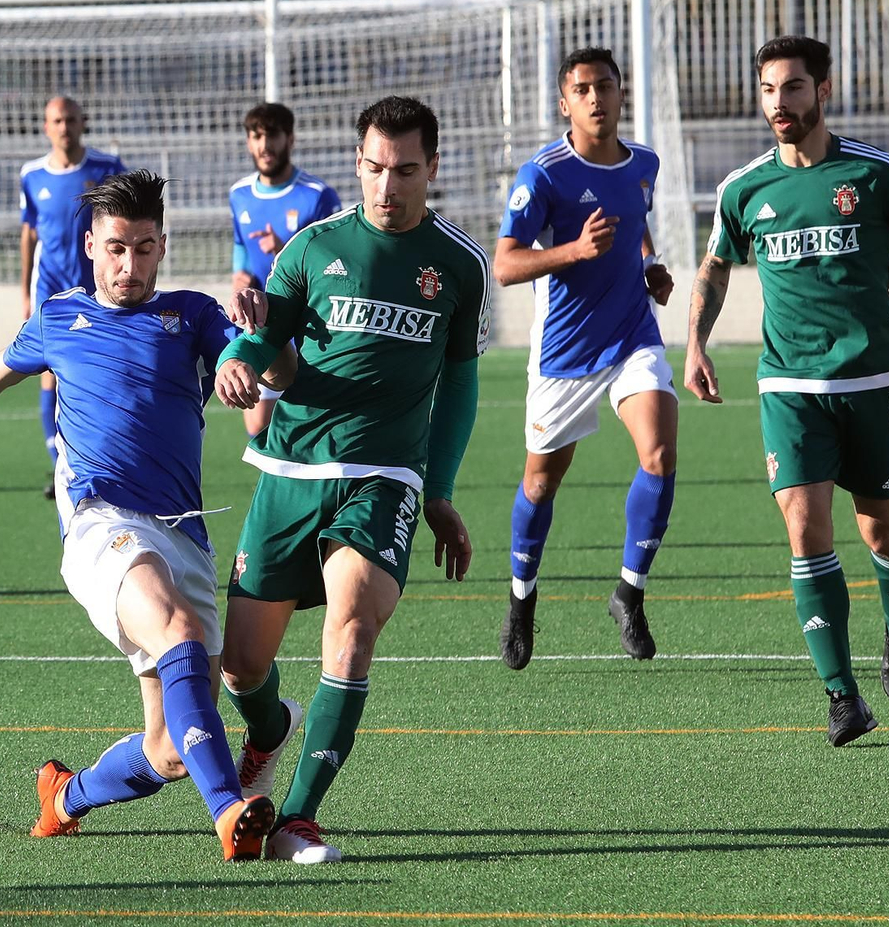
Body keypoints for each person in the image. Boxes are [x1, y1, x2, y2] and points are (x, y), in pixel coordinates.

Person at [0, 170, 291, 861]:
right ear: (89, 246)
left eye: (141, 248)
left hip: (184, 534)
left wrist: (253, 352)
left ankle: (65, 796)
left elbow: (274, 371)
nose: (127, 264)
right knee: (178, 629)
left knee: (169, 750)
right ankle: (229, 812)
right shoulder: (59, 318)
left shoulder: (192, 315)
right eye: (114, 248)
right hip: (101, 523)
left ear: (162, 246)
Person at [214, 96, 491, 863]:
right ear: (358, 164)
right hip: (291, 469)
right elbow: (267, 341)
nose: (387, 186)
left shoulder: (460, 267)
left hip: (385, 476)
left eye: (405, 170)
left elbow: (461, 388)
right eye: (374, 168)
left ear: (432, 167)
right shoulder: (310, 248)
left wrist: (437, 490)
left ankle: (296, 818)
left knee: (354, 627)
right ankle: (270, 728)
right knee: (240, 665)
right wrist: (239, 362)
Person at [683, 36, 889, 747]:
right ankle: (842, 696)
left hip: (872, 379)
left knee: (881, 531)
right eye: (770, 90)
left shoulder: (873, 175)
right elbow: (715, 269)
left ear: (823, 91)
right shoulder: (743, 189)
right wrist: (696, 342)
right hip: (787, 384)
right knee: (805, 529)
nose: (781, 103)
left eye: (795, 88)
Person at [494, 47, 680, 670]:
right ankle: (522, 599)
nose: (595, 98)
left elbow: (636, 223)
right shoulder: (542, 174)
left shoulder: (645, 164)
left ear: (622, 92)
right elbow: (506, 263)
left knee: (659, 453)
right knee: (541, 482)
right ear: (564, 102)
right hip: (564, 350)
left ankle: (629, 592)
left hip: (632, 333)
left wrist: (650, 265)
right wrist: (573, 251)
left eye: (605, 86)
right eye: (582, 89)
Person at [19, 96, 126, 498]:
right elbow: (29, 232)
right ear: (46, 127)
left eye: (71, 120)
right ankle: (59, 466)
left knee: (100, 374)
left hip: (97, 292)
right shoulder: (32, 175)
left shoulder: (106, 168)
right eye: (57, 121)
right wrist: (25, 291)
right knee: (49, 377)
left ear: (84, 123)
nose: (64, 127)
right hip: (50, 291)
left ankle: (105, 459)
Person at [229, 102, 344, 436]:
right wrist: (240, 278)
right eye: (256, 136)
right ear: (249, 142)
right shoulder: (239, 194)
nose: (265, 145)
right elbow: (241, 247)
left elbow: (334, 262)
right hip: (265, 319)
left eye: (273, 135)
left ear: (290, 139)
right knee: (256, 420)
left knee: (312, 411)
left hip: (312, 319)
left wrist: (284, 250)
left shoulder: (317, 195)